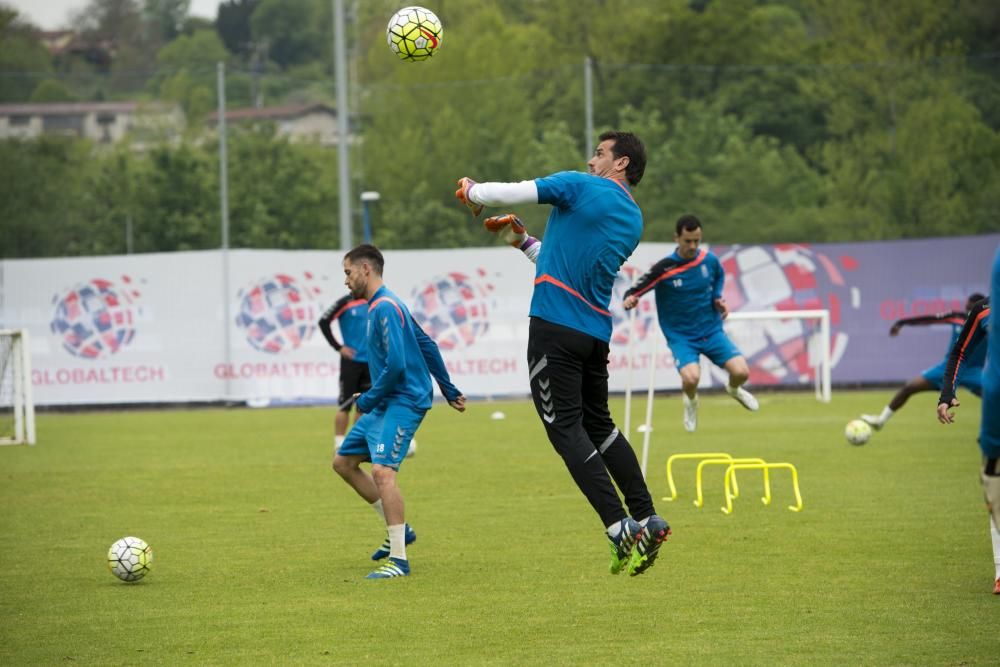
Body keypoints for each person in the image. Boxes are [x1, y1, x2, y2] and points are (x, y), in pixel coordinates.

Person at [456, 130, 671, 577]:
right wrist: (522, 241)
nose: (591, 161)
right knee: (600, 426)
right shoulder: (632, 217)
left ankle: (618, 526)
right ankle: (647, 516)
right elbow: (564, 263)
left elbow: (518, 190)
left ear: (621, 164)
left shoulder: (581, 185)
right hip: (593, 334)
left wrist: (473, 191)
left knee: (564, 430)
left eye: (600, 154)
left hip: (554, 329)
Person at [332, 244, 466, 579]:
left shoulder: (386, 307)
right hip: (386, 398)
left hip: (402, 400)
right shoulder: (385, 304)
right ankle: (400, 531)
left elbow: (395, 366)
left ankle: (399, 560)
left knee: (383, 472)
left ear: (365, 269)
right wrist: (449, 390)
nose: (346, 281)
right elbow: (427, 345)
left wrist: (369, 398)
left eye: (348, 272)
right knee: (343, 463)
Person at [620, 214, 759, 433]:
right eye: (688, 241)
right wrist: (630, 298)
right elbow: (636, 289)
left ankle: (733, 390)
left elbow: (719, 278)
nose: (693, 246)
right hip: (681, 336)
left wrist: (718, 299)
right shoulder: (665, 268)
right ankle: (691, 402)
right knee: (692, 377)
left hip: (711, 330)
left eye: (697, 240)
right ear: (677, 238)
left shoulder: (709, 261)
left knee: (742, 372)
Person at [936, 293, 996, 594]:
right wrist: (947, 393)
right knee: (996, 490)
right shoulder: (985, 309)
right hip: (996, 411)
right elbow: (959, 353)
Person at [862, 293, 987, 432]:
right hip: (948, 368)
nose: (967, 309)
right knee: (909, 387)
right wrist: (902, 322)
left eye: (970, 306)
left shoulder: (988, 322)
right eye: (967, 306)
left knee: (994, 396)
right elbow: (928, 319)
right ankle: (880, 420)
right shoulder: (958, 317)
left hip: (974, 372)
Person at [318, 293, 371, 452]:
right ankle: (339, 442)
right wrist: (338, 347)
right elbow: (323, 322)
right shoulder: (345, 302)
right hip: (351, 362)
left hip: (371, 362)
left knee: (364, 406)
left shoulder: (375, 300)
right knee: (345, 405)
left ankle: (357, 441)